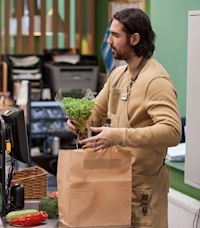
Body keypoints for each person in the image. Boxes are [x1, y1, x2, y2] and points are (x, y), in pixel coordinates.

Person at [67, 8, 181, 227]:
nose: (109, 41)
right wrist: (78, 120)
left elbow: (172, 132)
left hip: (143, 192)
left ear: (135, 39)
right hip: (114, 184)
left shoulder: (156, 80)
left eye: (115, 35)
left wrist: (117, 136)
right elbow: (95, 113)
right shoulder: (118, 74)